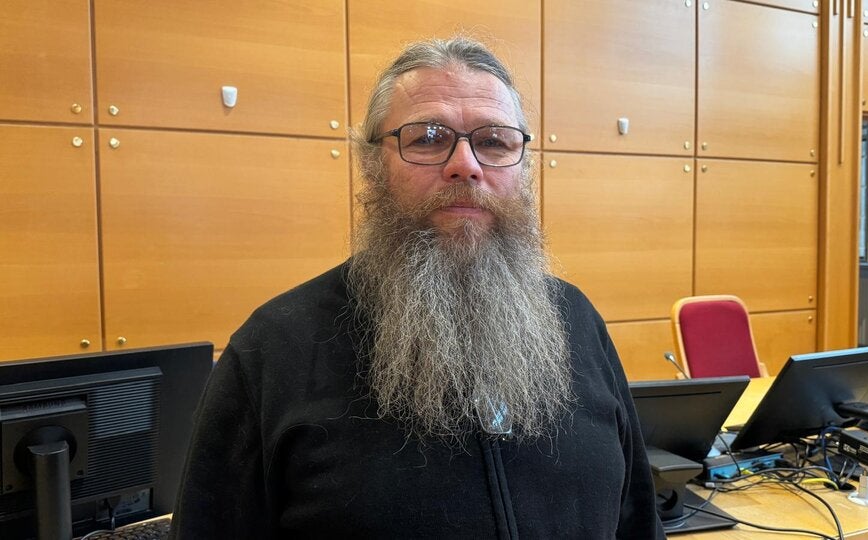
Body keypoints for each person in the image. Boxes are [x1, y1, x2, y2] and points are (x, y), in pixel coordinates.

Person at [171, 36, 665, 539]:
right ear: (372, 165)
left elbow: (637, 524)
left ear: (524, 166)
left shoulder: (575, 320)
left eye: (495, 142)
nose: (466, 164)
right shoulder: (274, 348)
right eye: (428, 138)